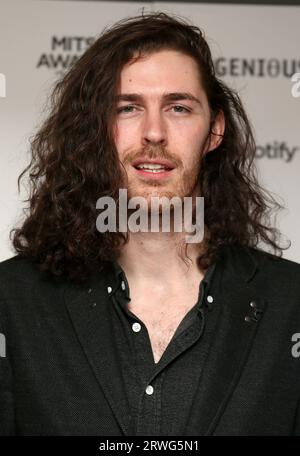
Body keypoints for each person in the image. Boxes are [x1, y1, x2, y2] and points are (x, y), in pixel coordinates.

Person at [0, 11, 300, 436]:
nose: (154, 132)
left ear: (214, 130)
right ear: (97, 130)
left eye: (178, 107)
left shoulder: (291, 303)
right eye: (128, 108)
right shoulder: (12, 301)